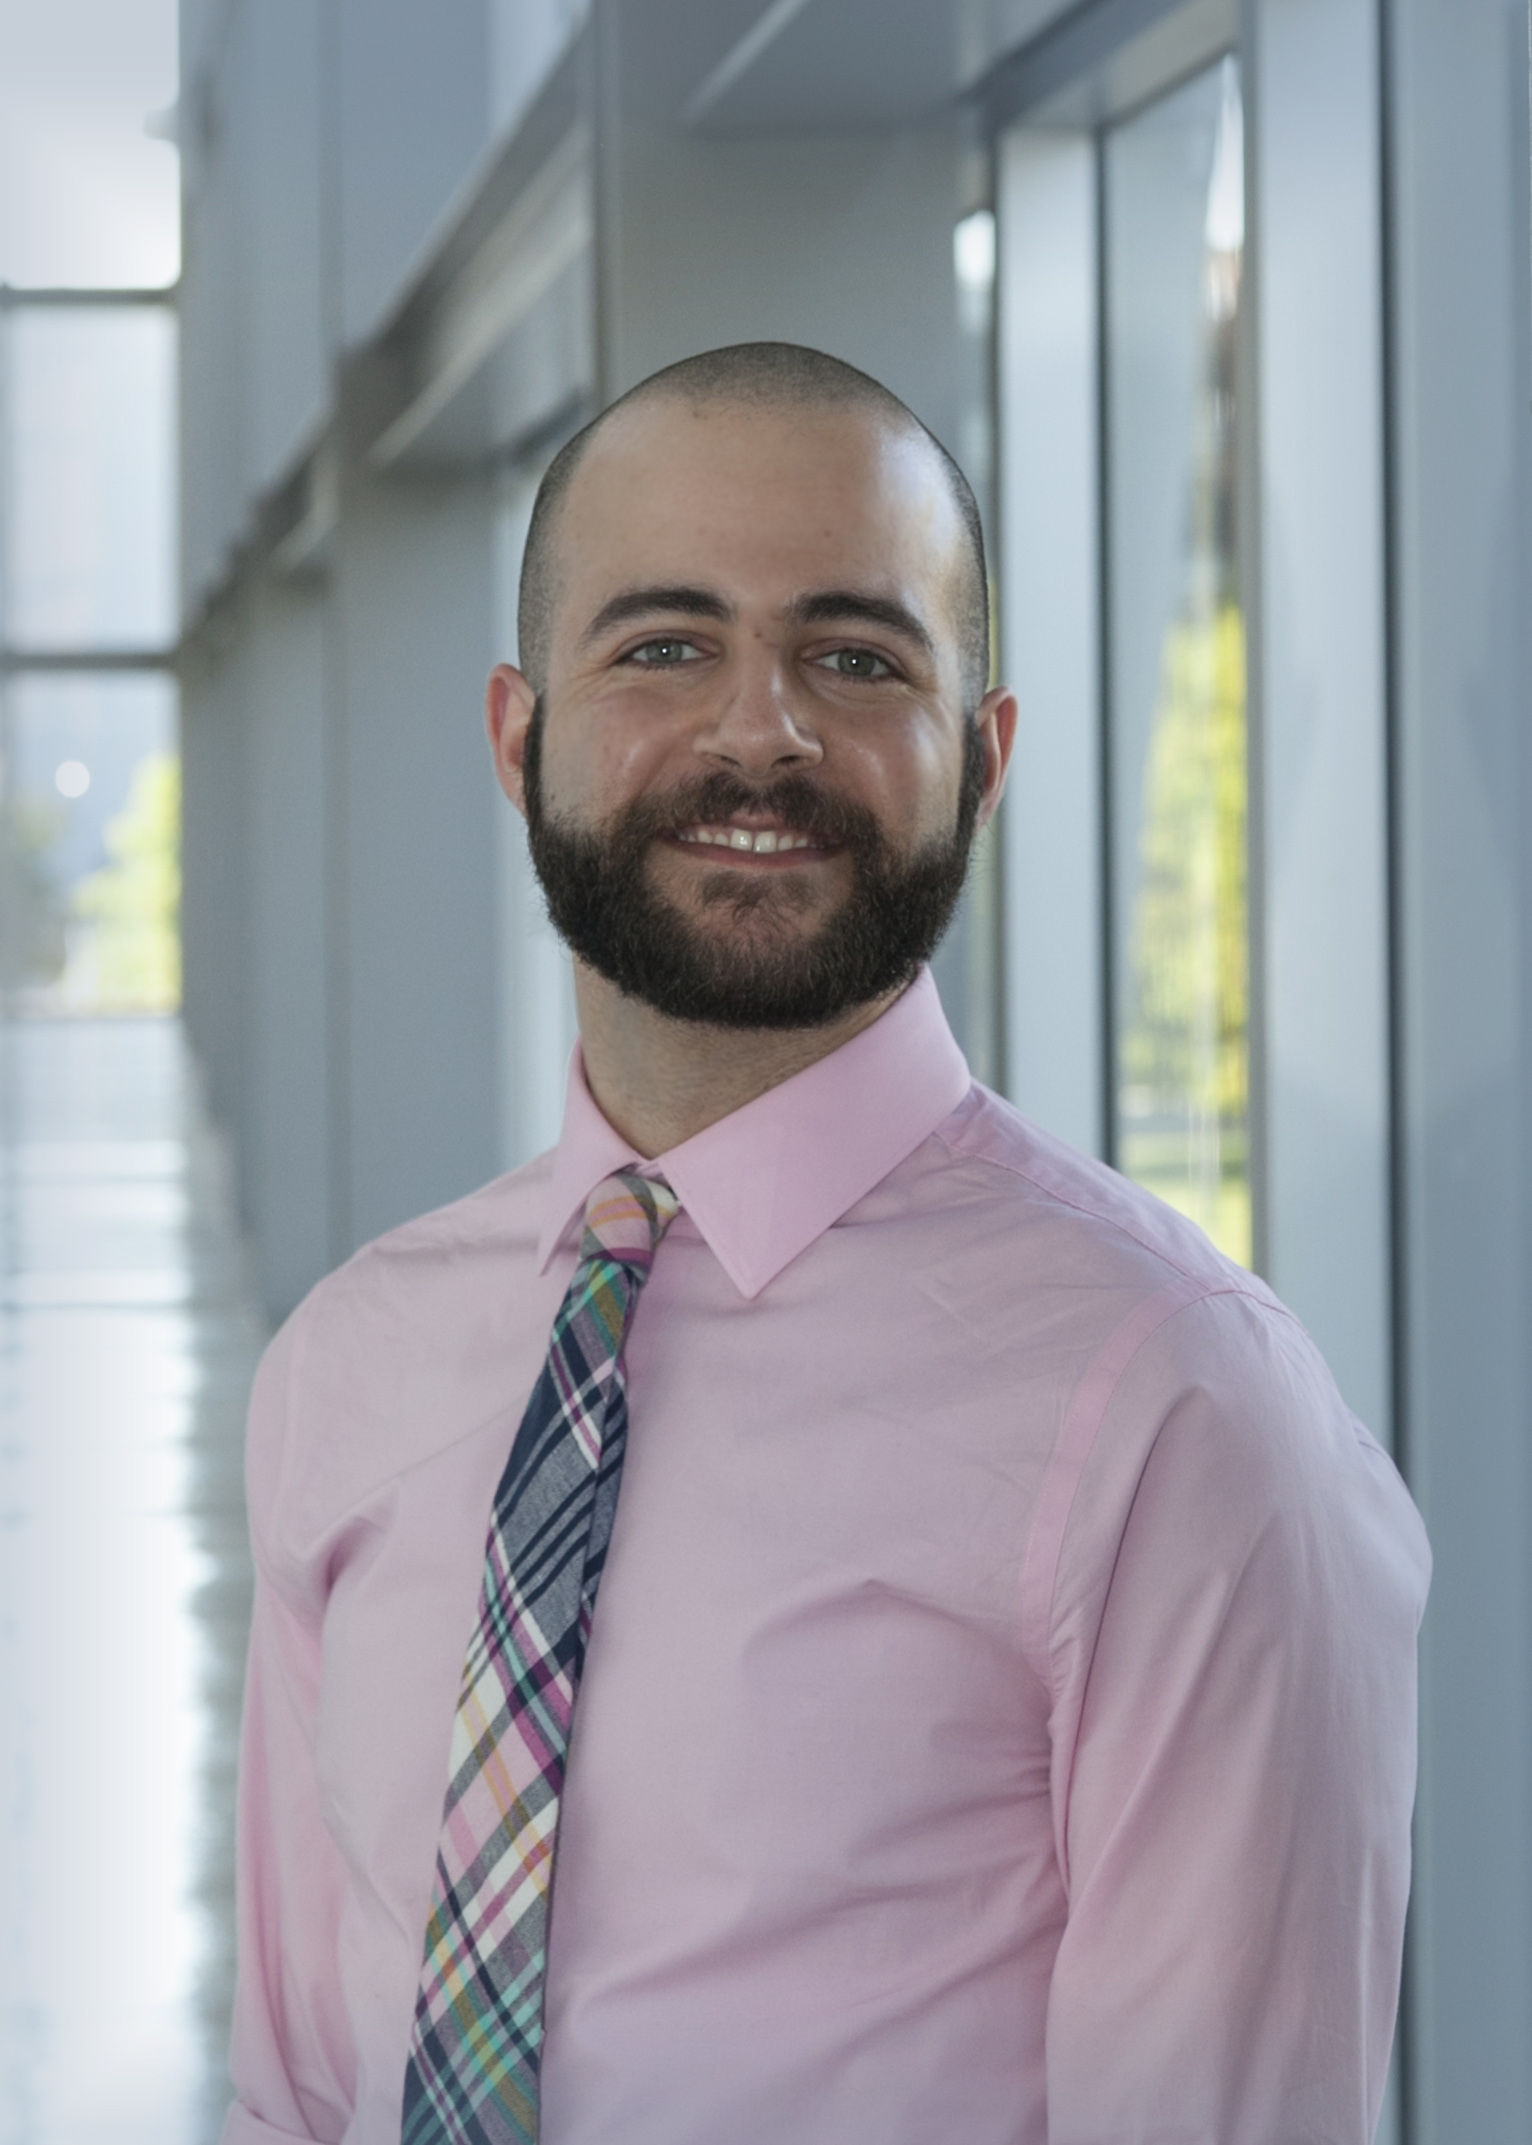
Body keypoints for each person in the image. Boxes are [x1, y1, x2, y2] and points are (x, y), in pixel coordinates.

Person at [222, 343, 1428, 2145]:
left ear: (986, 757)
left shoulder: (1184, 1413)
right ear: (517, 736)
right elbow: (301, 2085)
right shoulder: (351, 1359)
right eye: (664, 645)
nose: (761, 731)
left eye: (856, 657)